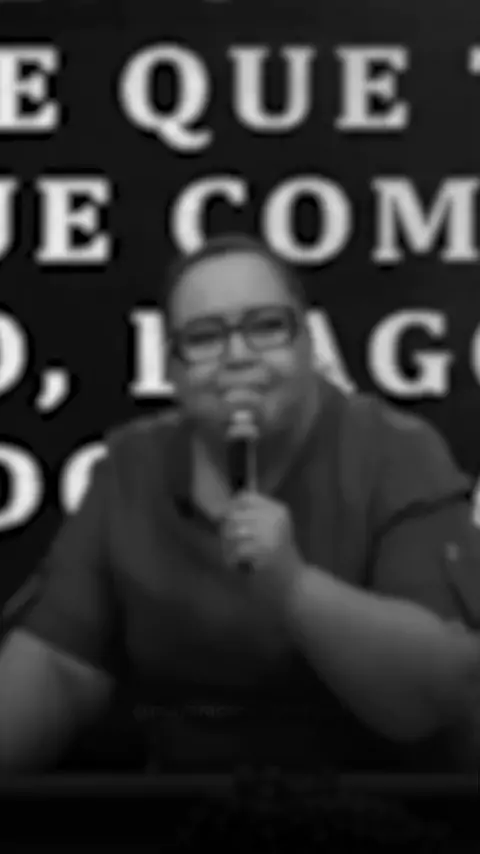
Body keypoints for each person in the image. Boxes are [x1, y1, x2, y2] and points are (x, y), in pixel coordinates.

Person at [0, 233, 479, 774]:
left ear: (310, 345)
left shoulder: (395, 451)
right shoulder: (133, 466)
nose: (237, 356)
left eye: (266, 327)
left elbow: (435, 696)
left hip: (369, 795)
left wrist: (294, 587)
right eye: (204, 338)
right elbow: (57, 664)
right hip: (184, 791)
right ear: (172, 370)